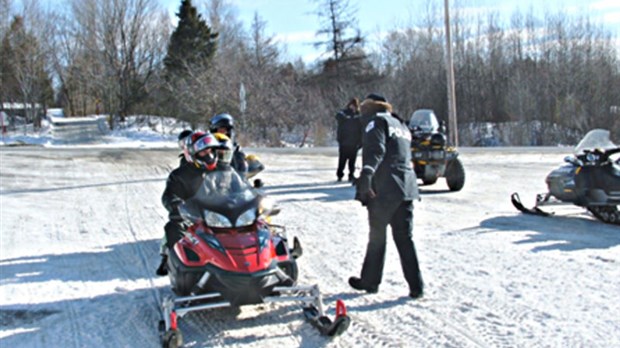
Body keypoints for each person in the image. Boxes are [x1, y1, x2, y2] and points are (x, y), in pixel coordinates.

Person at [349, 93, 424, 299]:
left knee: (377, 236)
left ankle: (370, 281)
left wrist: (366, 173)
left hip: (384, 188)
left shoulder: (376, 122)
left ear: (368, 108)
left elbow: (376, 150)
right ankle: (416, 286)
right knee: (404, 238)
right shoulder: (400, 125)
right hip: (407, 187)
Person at [155, 131, 222, 276]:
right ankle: (174, 263)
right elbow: (169, 195)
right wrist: (177, 205)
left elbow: (238, 187)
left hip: (222, 214)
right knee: (174, 226)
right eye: (203, 152)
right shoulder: (179, 175)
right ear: (193, 154)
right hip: (194, 217)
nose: (208, 155)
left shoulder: (223, 170)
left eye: (210, 150)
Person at [335, 98, 363, 182]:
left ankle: (351, 175)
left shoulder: (358, 116)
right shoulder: (344, 114)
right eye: (352, 105)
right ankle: (340, 175)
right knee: (342, 161)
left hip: (354, 143)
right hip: (344, 142)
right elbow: (338, 116)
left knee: (352, 161)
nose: (353, 107)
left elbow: (361, 128)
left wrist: (360, 142)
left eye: (355, 106)